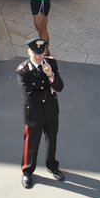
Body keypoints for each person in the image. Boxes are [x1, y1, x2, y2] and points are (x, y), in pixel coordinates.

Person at [16, 38, 64, 189]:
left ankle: (52, 166)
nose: (39, 56)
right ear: (29, 52)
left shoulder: (51, 63)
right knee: (31, 145)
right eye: (35, 53)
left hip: (51, 110)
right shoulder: (23, 71)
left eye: (41, 52)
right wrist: (49, 90)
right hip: (34, 113)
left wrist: (50, 75)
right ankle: (27, 172)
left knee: (52, 142)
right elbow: (30, 96)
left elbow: (60, 86)